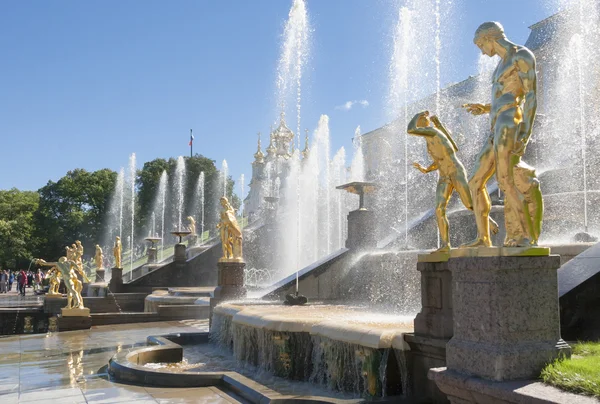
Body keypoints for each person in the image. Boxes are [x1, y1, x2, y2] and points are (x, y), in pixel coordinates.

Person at [462, 21, 538, 248]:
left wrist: (525, 131)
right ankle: (483, 238)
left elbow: (531, 96)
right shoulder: (499, 66)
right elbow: (503, 95)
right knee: (475, 181)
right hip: (495, 126)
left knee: (505, 180)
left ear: (489, 38)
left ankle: (523, 235)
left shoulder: (521, 55)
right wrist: (485, 108)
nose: (482, 53)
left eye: (481, 46)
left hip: (509, 123)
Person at [407, 111, 498, 252]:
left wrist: (416, 114)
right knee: (439, 209)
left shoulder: (432, 131)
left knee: (468, 204)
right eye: (421, 118)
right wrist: (425, 169)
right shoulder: (430, 139)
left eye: (422, 119)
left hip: (455, 171)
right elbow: (440, 159)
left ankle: (488, 222)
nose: (422, 120)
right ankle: (445, 245)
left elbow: (410, 130)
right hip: (443, 176)